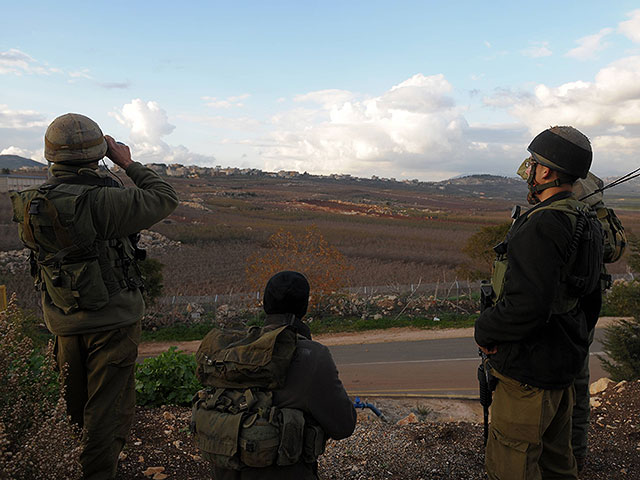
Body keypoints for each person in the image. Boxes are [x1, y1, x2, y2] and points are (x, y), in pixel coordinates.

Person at [10, 113, 179, 479]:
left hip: (63, 323)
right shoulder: (102, 202)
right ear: (97, 153)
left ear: (50, 156)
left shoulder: (32, 202)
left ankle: (71, 465)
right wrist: (128, 162)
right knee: (107, 413)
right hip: (112, 322)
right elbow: (165, 197)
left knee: (74, 407)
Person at [475, 126, 602, 479]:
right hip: (563, 366)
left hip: (529, 373)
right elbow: (591, 299)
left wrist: (484, 330)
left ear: (545, 171)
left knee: (512, 461)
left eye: (532, 163)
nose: (528, 169)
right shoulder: (586, 219)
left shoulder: (542, 224)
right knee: (558, 462)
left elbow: (526, 306)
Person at [194, 271, 357, 480]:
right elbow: (344, 426)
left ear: (265, 304)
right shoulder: (312, 356)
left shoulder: (231, 354)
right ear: (303, 308)